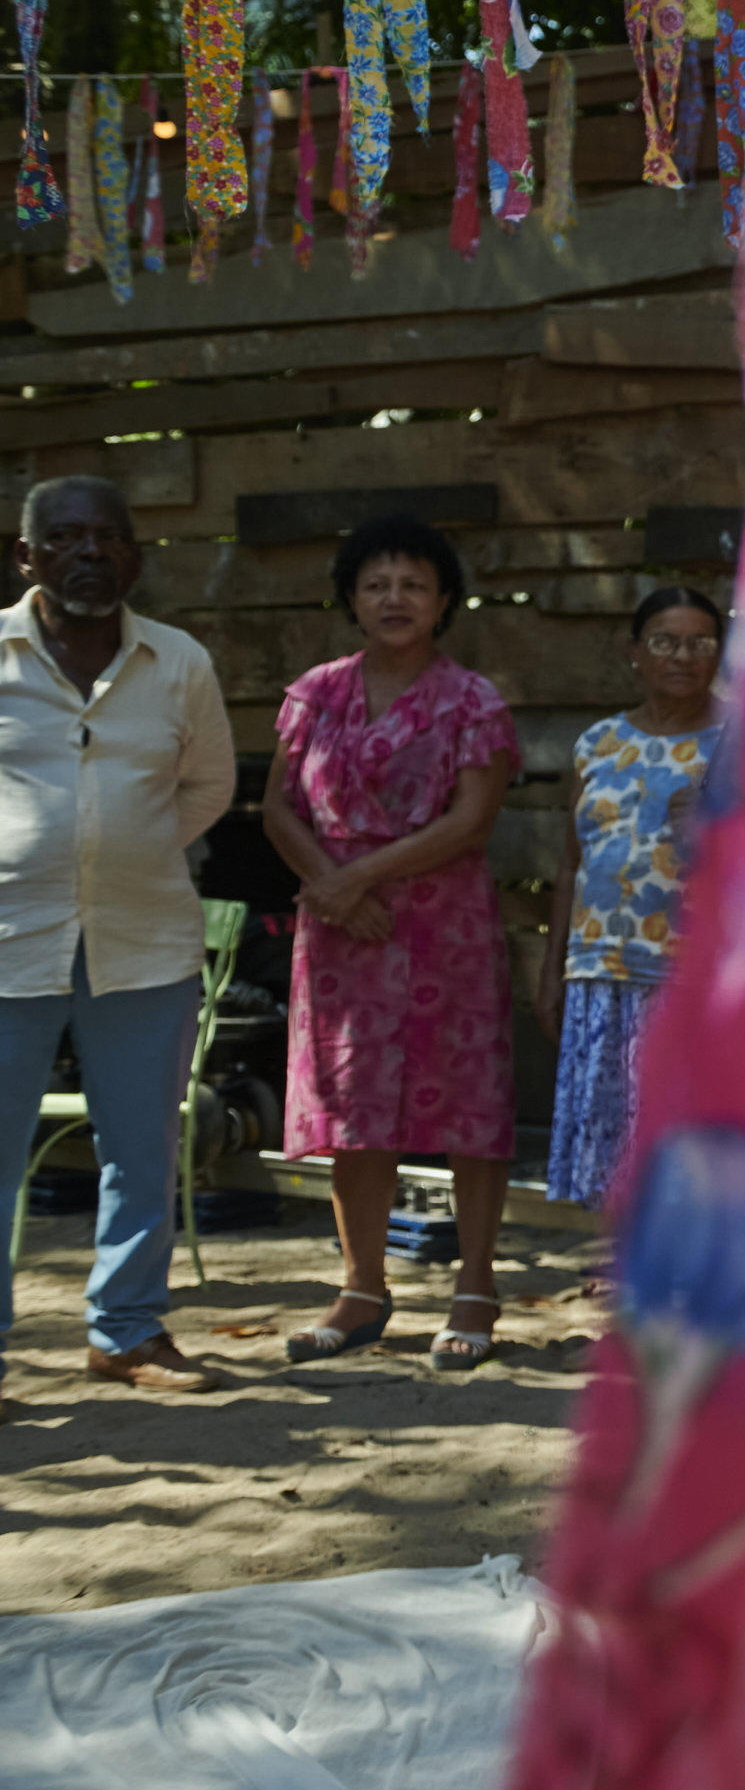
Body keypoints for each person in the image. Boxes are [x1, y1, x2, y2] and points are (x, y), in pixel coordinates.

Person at [262, 514, 520, 1371]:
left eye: (414, 584)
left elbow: (472, 818)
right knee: (354, 1107)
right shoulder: (313, 696)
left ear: (445, 601)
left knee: (469, 1105)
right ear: (351, 598)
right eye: (376, 584)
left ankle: (475, 1287)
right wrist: (334, 889)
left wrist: (356, 878)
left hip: (445, 930)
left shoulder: (474, 701)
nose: (395, 598)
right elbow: (278, 809)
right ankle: (362, 1288)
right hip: (343, 936)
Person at [0, 476, 235, 1410]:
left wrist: (129, 852)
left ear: (135, 556)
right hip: (8, 942)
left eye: (107, 536)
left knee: (139, 1151)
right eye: (65, 537)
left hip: (144, 943)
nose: (89, 551)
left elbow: (210, 784)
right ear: (27, 557)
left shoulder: (179, 663)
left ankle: (127, 1331)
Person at [540, 585, 727, 1205]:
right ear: (635, 652)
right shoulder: (598, 743)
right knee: (610, 1146)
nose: (682, 657)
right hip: (599, 971)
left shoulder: (739, 744)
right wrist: (553, 969)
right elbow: (571, 863)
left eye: (700, 643)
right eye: (665, 642)